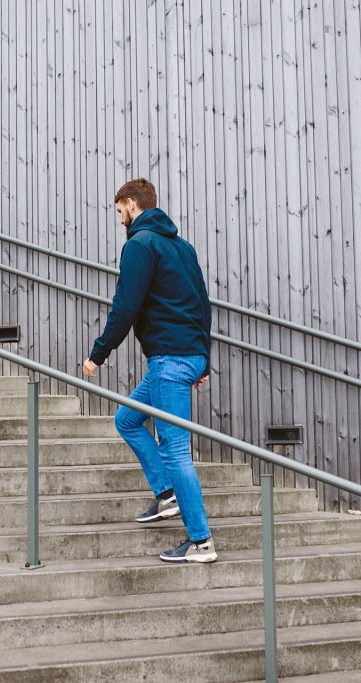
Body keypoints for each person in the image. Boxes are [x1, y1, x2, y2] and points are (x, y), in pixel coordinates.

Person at [82, 178, 216, 564]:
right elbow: (202, 305)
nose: (119, 217)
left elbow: (125, 307)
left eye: (119, 209)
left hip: (169, 360)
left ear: (131, 204)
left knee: (176, 450)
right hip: (186, 355)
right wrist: (202, 357)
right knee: (126, 419)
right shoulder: (182, 247)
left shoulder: (139, 245)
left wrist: (98, 355)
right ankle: (166, 493)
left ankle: (201, 540)